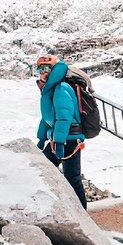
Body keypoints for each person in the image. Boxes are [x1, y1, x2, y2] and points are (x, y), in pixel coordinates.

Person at [34, 54, 88, 208]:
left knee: (72, 177)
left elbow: (64, 118)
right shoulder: (49, 89)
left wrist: (58, 141)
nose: (42, 72)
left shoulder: (60, 88)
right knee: (44, 169)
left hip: (69, 139)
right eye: (39, 68)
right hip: (60, 139)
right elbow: (47, 118)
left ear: (53, 70)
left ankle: (82, 212)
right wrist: (41, 138)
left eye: (46, 68)